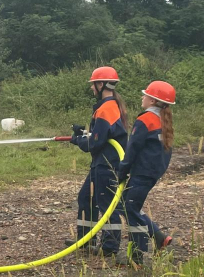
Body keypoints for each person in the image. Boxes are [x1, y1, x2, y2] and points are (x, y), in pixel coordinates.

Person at [66, 66, 129, 256]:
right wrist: (83, 133)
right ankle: (85, 240)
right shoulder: (109, 106)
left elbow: (95, 143)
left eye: (93, 84)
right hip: (100, 163)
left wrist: (78, 140)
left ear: (101, 84)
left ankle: (109, 248)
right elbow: (101, 135)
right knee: (86, 198)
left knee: (106, 204)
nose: (92, 88)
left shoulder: (106, 109)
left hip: (108, 165)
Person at [115, 81, 175, 266]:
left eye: (145, 95)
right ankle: (148, 246)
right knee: (127, 206)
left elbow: (132, 149)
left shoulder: (145, 120)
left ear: (153, 100)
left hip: (142, 173)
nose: (142, 97)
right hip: (151, 173)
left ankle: (145, 249)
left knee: (129, 208)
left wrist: (122, 171)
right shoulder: (162, 120)